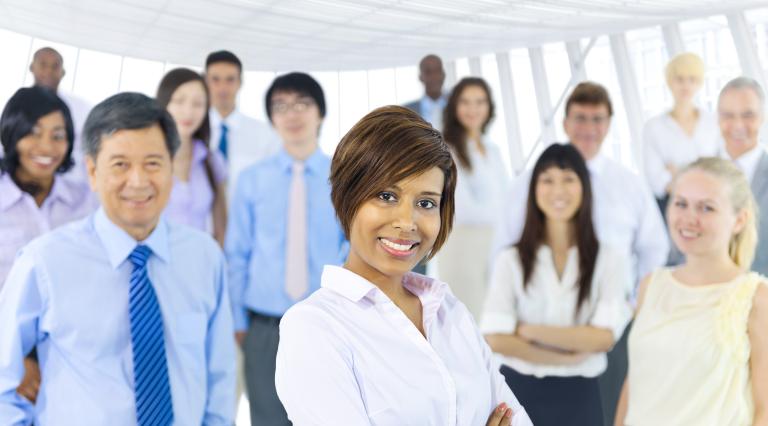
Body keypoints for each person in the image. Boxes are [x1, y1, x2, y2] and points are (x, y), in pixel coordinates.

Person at [275, 105, 533, 426]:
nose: (407, 222)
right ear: (348, 195)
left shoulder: (450, 312)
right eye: (386, 195)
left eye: (426, 203)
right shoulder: (314, 328)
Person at [0, 92, 236, 425]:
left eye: (153, 163)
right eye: (120, 165)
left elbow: (220, 378)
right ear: (93, 172)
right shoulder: (44, 262)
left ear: (171, 166)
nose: (138, 182)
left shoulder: (204, 257)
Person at [494, 82, 668, 425]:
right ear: (565, 122)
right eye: (581, 118)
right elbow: (504, 249)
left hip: (610, 328)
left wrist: (632, 305)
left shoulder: (628, 185)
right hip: (542, 325)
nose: (589, 128)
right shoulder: (528, 185)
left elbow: (654, 249)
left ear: (609, 124)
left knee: (608, 412)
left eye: (597, 119)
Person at [226, 72, 347, 425]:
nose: (292, 114)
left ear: (320, 113)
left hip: (327, 322)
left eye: (301, 104)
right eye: (281, 106)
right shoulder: (252, 180)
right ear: (272, 119)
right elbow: (238, 254)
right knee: (268, 419)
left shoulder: (342, 179)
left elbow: (353, 249)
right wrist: (238, 322)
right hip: (263, 327)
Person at [482, 143, 631, 426]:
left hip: (581, 395)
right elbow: (496, 338)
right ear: (534, 189)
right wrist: (571, 355)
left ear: (584, 187)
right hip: (518, 391)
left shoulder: (608, 258)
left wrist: (527, 331)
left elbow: (603, 337)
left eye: (568, 179)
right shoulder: (511, 259)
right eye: (547, 180)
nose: (558, 190)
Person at [615, 157, 768, 425]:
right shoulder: (652, 285)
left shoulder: (756, 297)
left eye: (706, 208)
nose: (689, 218)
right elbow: (634, 384)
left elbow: (764, 409)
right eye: (681, 203)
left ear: (739, 220)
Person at [0, 86, 98, 406]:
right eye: (33, 133)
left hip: (68, 361)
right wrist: (16, 359)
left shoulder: (86, 203)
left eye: (58, 135)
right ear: (11, 133)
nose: (47, 146)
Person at [439, 77, 509, 320]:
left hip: (493, 245)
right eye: (465, 102)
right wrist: (499, 215)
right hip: (463, 246)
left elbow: (506, 198)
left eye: (480, 102)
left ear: (489, 107)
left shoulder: (493, 150)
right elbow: (462, 207)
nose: (473, 109)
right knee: (466, 318)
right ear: (454, 107)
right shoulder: (446, 149)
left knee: (492, 318)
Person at [156, 68, 227, 245]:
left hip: (198, 265)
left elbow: (221, 227)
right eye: (179, 101)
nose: (188, 112)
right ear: (164, 103)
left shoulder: (212, 160)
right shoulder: (145, 157)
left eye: (198, 104)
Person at [642, 52, 721, 209]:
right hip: (672, 205)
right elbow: (656, 182)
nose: (686, 86)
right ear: (670, 82)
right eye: (680, 79)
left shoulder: (713, 123)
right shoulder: (654, 128)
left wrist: (676, 173)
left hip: (712, 203)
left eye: (692, 79)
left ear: (699, 83)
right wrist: (701, 175)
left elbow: (722, 169)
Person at [204, 50, 279, 201]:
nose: (222, 87)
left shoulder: (265, 134)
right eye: (215, 79)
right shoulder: (193, 132)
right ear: (205, 82)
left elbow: (274, 185)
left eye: (230, 79)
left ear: (240, 82)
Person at [718, 77, 768, 276]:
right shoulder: (698, 178)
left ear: (763, 116)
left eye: (748, 115)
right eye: (728, 115)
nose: (738, 125)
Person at [27, 47, 92, 184]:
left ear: (62, 72)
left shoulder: (81, 109)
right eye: (43, 64)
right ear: (32, 67)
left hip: (67, 183)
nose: (49, 71)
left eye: (55, 66)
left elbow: (90, 149)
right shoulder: (16, 106)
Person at [403, 54, 448, 131]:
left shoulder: (458, 106)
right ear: (420, 77)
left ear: (443, 75)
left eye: (438, 70)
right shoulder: (407, 112)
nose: (434, 76)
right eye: (428, 72)